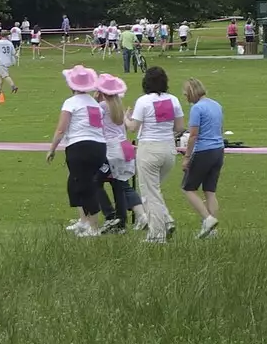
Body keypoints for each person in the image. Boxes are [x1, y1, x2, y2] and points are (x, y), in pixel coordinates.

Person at [47, 65, 111, 237]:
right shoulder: (94, 104)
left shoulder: (71, 103)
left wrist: (52, 149)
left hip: (79, 146)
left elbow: (61, 129)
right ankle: (85, 222)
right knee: (82, 183)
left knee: (85, 186)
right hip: (98, 147)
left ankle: (93, 226)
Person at [128, 66, 184, 243]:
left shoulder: (143, 101)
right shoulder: (173, 100)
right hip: (168, 148)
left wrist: (124, 117)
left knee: (149, 193)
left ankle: (157, 234)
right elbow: (180, 127)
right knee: (154, 189)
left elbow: (133, 128)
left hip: (149, 148)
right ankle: (166, 221)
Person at [95, 73, 143, 233]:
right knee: (119, 184)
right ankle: (121, 221)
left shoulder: (102, 106)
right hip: (124, 147)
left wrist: (95, 98)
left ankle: (110, 215)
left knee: (95, 182)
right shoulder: (118, 106)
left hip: (112, 149)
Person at [179, 77, 224, 239]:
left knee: (188, 188)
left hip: (203, 151)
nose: (185, 98)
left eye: (186, 94)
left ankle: (208, 219)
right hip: (218, 150)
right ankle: (213, 231)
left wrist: (187, 157)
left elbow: (193, 136)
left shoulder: (197, 109)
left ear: (191, 93)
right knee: (209, 191)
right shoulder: (216, 105)